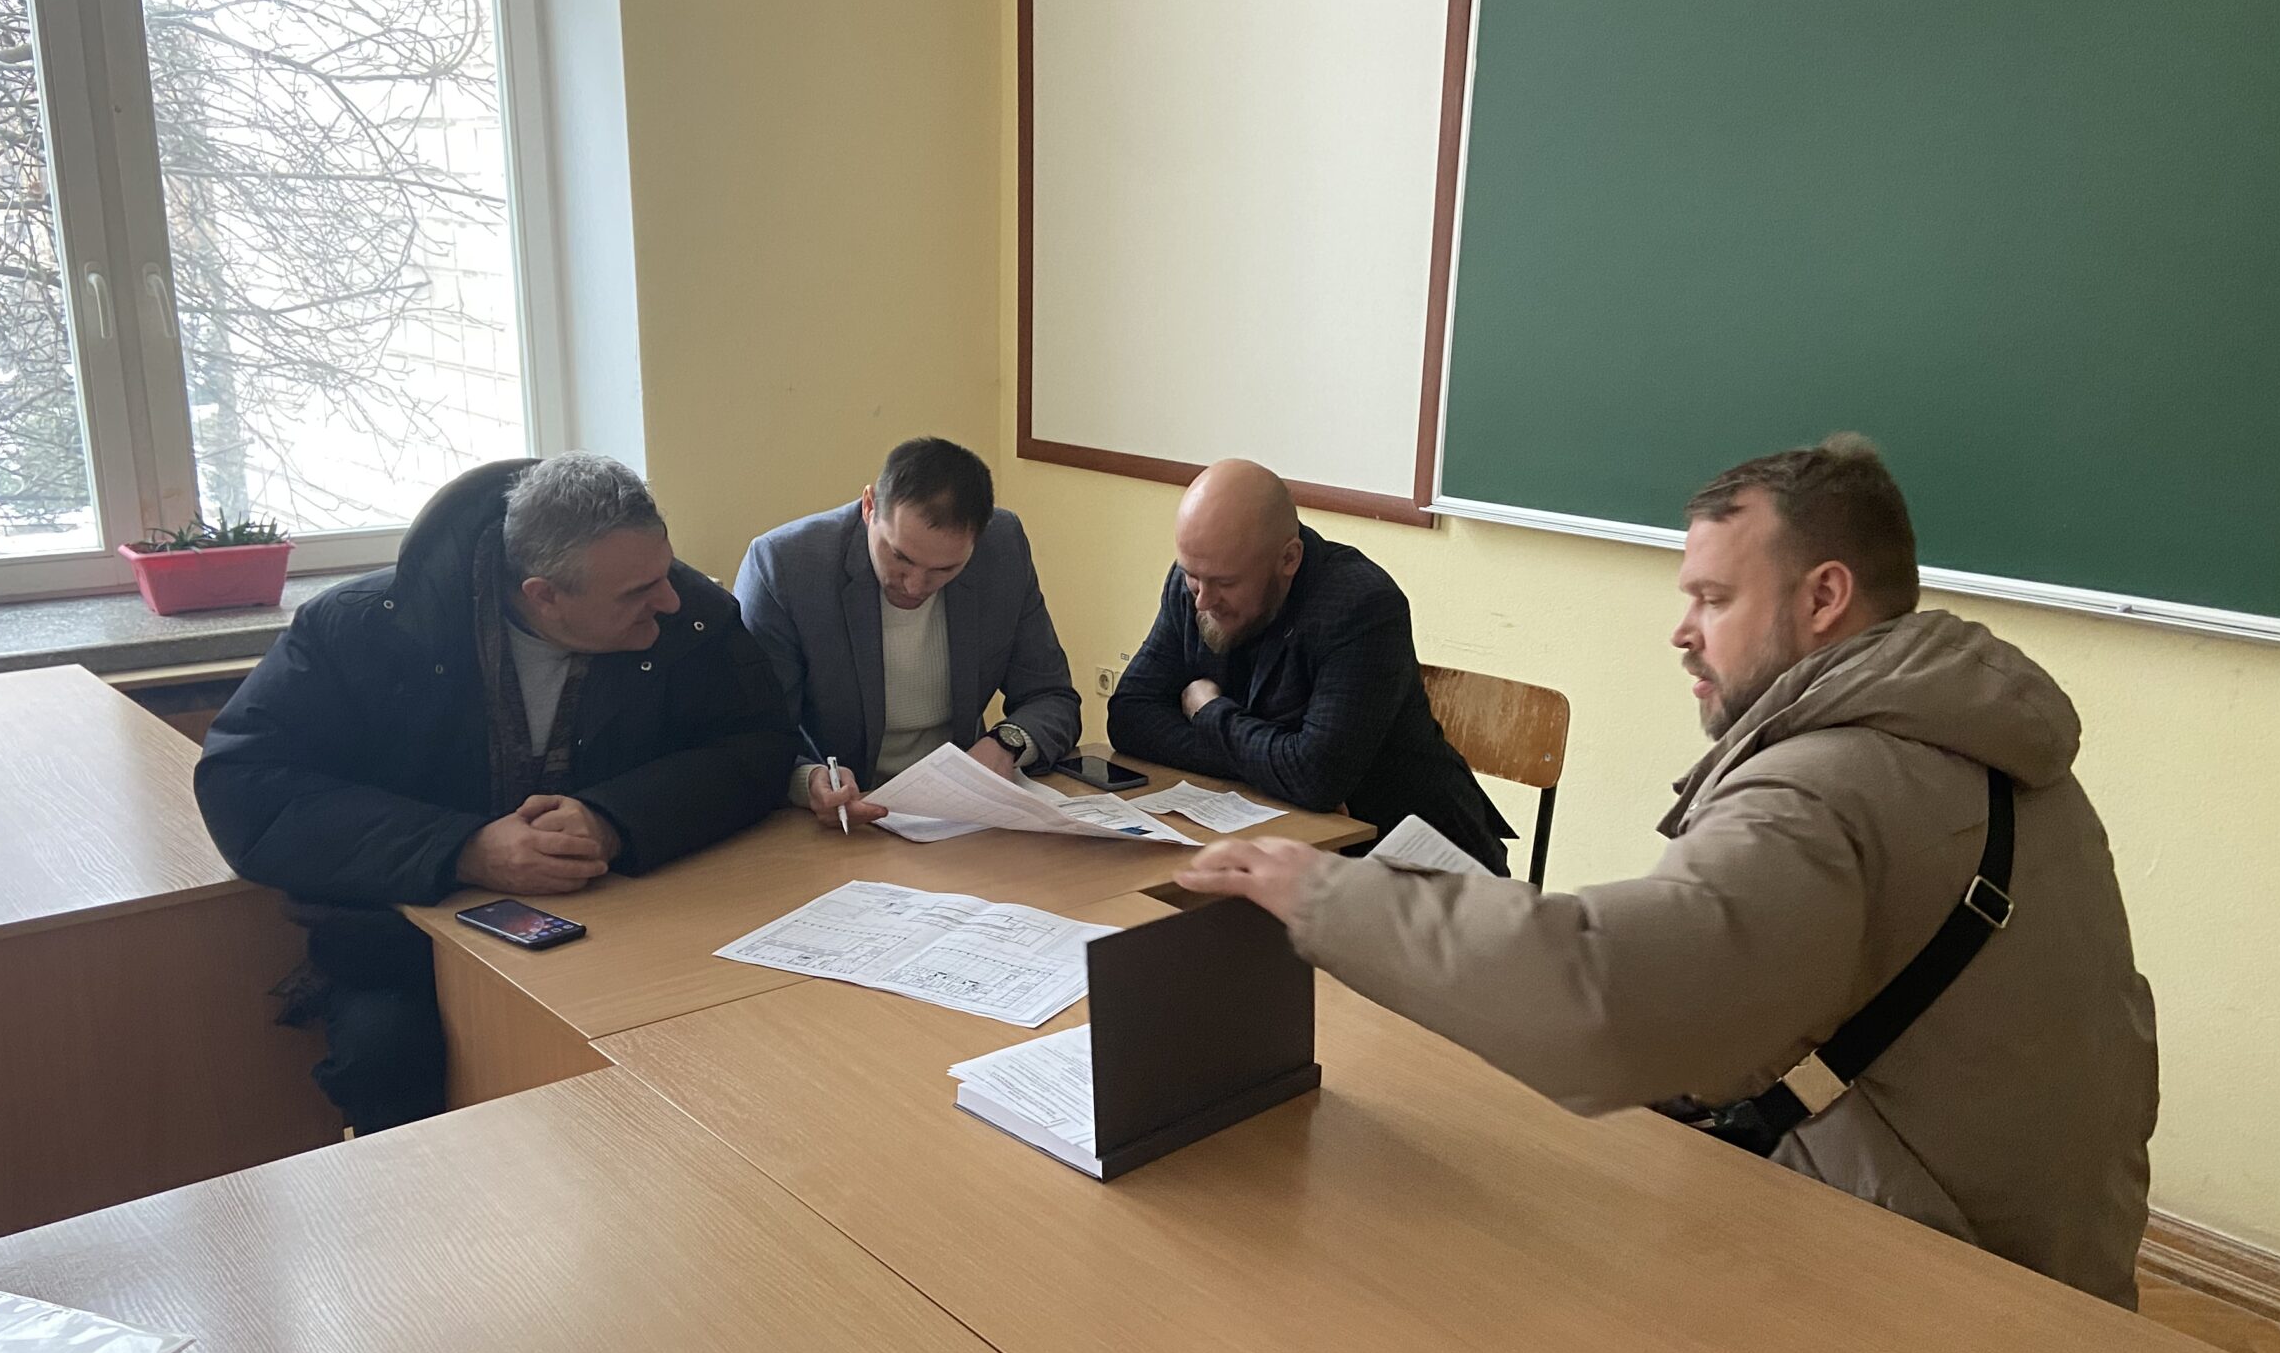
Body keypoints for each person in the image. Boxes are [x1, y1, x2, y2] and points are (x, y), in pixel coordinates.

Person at [1178, 436, 2159, 1306]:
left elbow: (1609, 1003)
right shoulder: (1984, 741)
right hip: (2057, 1253)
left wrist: (1321, 894)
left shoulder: (1825, 789)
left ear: (1824, 598)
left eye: (1714, 599)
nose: (1682, 631)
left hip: (1948, 1289)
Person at [195, 454, 794, 1133]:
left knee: (718, 1060)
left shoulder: (691, 618)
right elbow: (245, 786)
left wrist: (613, 819)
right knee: (388, 1059)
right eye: (637, 591)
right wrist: (464, 848)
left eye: (666, 570)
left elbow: (756, 746)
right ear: (544, 595)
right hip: (407, 942)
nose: (671, 601)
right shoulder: (360, 630)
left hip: (643, 921)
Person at [1109, 459, 1513, 870]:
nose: (1202, 600)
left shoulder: (1362, 607)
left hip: (1417, 867)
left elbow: (1315, 776)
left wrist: (1209, 712)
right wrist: (1272, 765)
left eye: (1226, 583)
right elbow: (1130, 717)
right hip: (1283, 845)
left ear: (1289, 558)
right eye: (1191, 575)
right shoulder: (1198, 582)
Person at [734, 436, 1080, 829]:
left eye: (945, 569)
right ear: (869, 507)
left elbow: (1052, 697)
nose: (915, 586)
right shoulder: (784, 566)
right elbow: (751, 736)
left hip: (959, 815)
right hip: (837, 820)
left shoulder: (1003, 548)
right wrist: (808, 780)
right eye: (900, 557)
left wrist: (1005, 744)